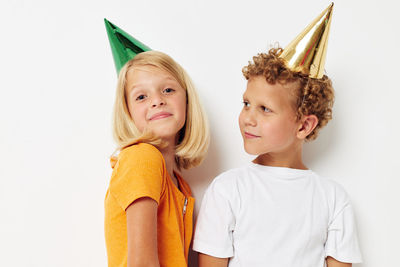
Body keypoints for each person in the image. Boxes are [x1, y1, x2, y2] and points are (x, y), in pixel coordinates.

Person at [192, 4, 362, 267]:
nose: (248, 117)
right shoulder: (228, 190)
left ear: (304, 126)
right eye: (246, 103)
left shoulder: (332, 199)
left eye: (265, 109)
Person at [103, 19, 210, 267]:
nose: (157, 101)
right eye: (142, 96)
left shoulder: (180, 184)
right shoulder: (142, 158)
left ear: (187, 99)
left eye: (168, 90)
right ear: (128, 112)